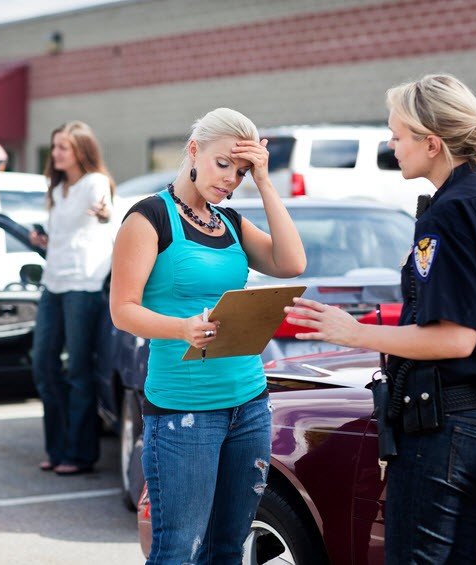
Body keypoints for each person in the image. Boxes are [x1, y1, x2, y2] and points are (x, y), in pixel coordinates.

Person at [286, 74, 476, 563]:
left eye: (397, 135)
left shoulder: (446, 214)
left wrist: (355, 331)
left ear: (432, 142)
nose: (391, 146)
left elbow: (453, 338)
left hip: (444, 429)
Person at [110, 107, 306, 563]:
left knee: (227, 549)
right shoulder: (149, 217)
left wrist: (265, 181)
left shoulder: (230, 222)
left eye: (241, 171)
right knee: (179, 550)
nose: (230, 180)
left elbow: (292, 263)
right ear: (194, 151)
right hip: (185, 411)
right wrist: (182, 328)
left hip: (249, 404)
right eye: (224, 165)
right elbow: (122, 311)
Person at [31, 121, 116, 476]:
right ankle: (57, 447)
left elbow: (106, 211)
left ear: (81, 150)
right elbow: (62, 236)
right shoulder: (58, 188)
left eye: (63, 147)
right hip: (53, 283)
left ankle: (79, 454)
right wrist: (44, 241)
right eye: (54, 147)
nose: (56, 153)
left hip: (84, 285)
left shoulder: (94, 183)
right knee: (43, 364)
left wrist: (105, 212)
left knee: (78, 371)